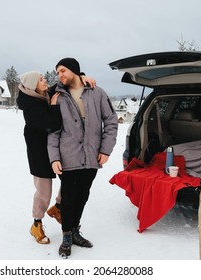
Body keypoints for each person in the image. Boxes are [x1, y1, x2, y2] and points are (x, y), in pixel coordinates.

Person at [47, 58, 118, 257]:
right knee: (69, 197)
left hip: (92, 156)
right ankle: (67, 235)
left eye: (63, 71)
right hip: (67, 156)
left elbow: (111, 122)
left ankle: (75, 230)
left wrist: (105, 150)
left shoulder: (97, 93)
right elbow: (53, 131)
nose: (60, 75)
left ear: (74, 71)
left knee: (83, 195)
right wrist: (54, 158)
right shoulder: (57, 97)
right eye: (58, 72)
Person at [17, 70, 96, 245]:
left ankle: (58, 208)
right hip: (39, 154)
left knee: (70, 181)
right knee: (44, 192)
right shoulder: (30, 106)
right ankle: (36, 223)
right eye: (41, 79)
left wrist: (81, 76)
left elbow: (63, 82)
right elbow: (51, 124)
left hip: (57, 150)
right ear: (33, 85)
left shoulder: (45, 93)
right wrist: (54, 105)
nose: (45, 81)